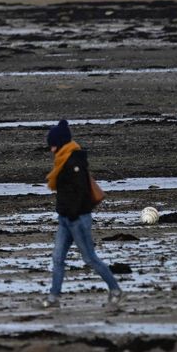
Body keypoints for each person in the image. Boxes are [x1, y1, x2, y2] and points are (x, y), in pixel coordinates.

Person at [42, 119, 123, 308]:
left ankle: (115, 290)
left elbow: (81, 193)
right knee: (57, 258)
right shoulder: (62, 160)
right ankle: (54, 297)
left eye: (53, 145)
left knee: (89, 258)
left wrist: (72, 213)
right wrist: (65, 214)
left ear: (60, 143)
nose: (51, 149)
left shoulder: (74, 162)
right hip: (65, 219)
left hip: (78, 219)